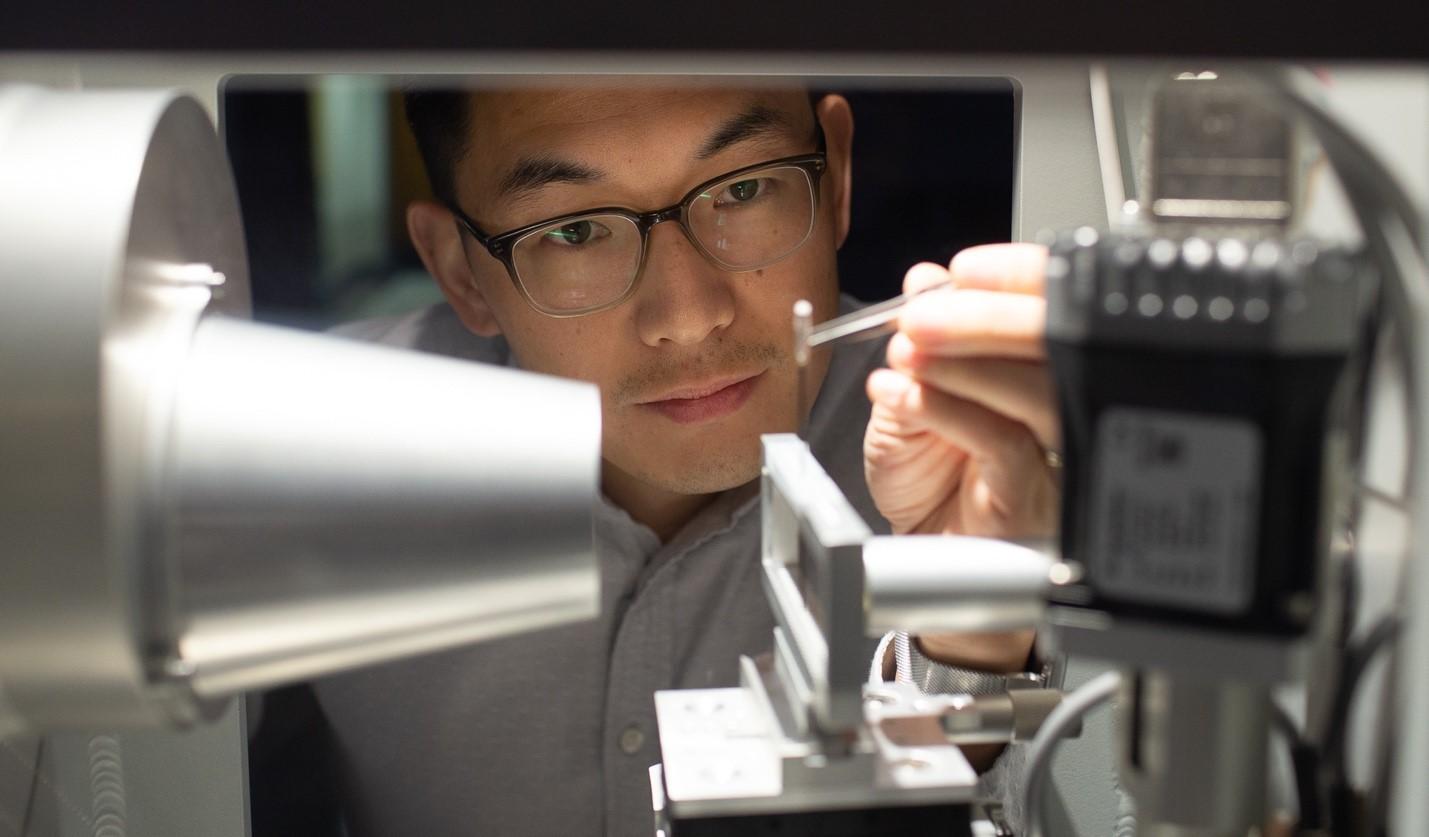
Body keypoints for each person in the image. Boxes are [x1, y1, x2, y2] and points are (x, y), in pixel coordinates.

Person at [255, 81, 1058, 837]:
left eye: (743, 188)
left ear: (836, 176)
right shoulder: (300, 453)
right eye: (573, 231)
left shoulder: (981, 457)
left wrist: (968, 640)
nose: (689, 315)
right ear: (462, 271)